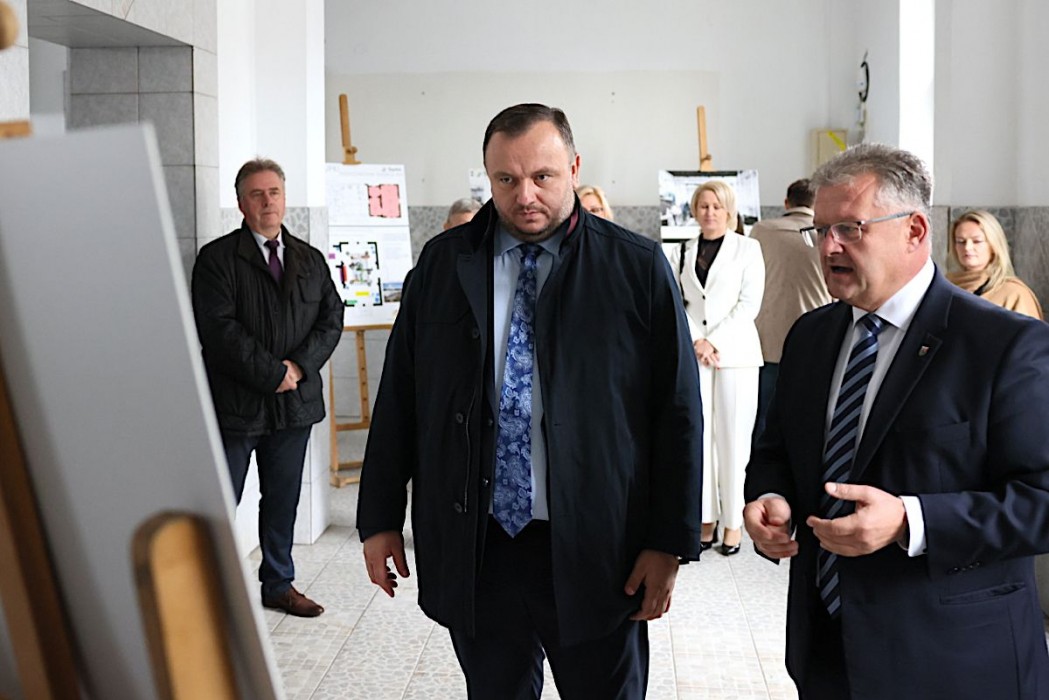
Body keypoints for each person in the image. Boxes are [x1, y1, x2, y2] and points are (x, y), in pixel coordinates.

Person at [356, 103, 702, 698]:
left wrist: (668, 541)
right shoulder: (444, 264)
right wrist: (379, 516)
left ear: (574, 168)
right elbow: (401, 399)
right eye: (506, 179)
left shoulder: (635, 267)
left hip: (597, 546)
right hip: (479, 542)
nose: (525, 196)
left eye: (543, 176)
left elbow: (677, 414)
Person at [743, 143, 1049, 699]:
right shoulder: (811, 337)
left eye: (850, 228)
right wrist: (771, 499)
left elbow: (1041, 500)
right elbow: (776, 452)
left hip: (953, 662)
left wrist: (912, 521)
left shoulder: (1006, 345)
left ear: (914, 231)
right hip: (828, 651)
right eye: (820, 230)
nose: (829, 246)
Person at [191, 158, 343, 617]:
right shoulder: (217, 260)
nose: (267, 202)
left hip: (294, 406)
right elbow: (219, 331)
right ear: (241, 203)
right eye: (256, 194)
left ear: (284, 198)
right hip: (236, 405)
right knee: (220, 499)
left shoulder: (309, 259)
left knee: (282, 499)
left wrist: (297, 367)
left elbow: (331, 320)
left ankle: (278, 584)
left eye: (274, 192)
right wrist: (271, 373)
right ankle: (206, 591)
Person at [667, 180, 764, 556]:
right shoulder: (682, 250)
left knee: (734, 442)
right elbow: (678, 302)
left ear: (729, 211)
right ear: (694, 210)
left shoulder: (748, 249)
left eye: (716, 206)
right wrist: (697, 341)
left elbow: (749, 304)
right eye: (703, 206)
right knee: (700, 439)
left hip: (734, 356)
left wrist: (714, 341)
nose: (709, 212)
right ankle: (705, 520)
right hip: (696, 358)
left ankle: (733, 524)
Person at [749, 179, 831, 448]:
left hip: (768, 341)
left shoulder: (762, 231)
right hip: (817, 338)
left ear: (787, 202)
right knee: (811, 416)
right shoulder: (827, 235)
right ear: (816, 203)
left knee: (764, 419)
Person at [946, 209, 1043, 319]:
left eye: (977, 241)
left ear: (993, 245)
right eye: (960, 241)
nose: (967, 247)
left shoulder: (1015, 293)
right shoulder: (947, 286)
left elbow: (1030, 330)